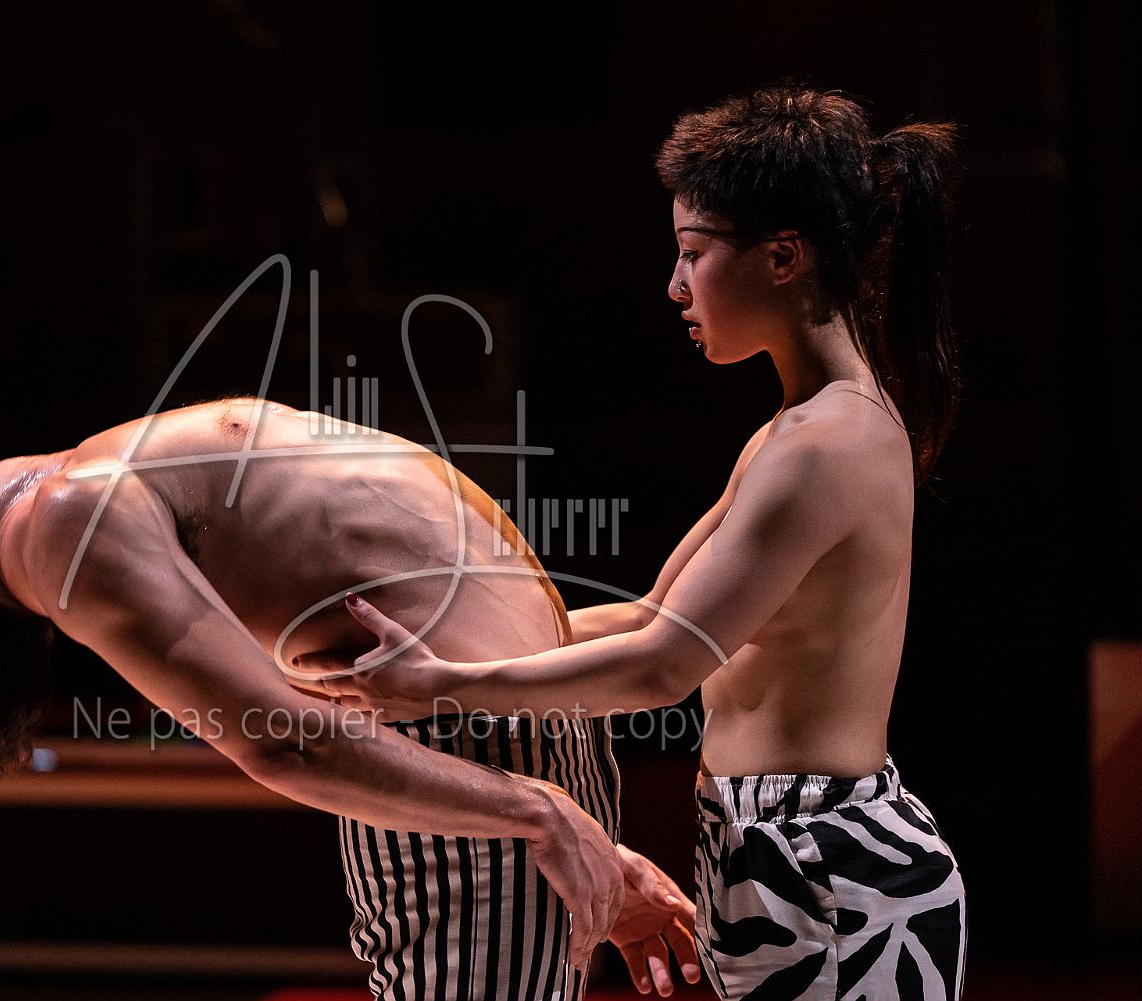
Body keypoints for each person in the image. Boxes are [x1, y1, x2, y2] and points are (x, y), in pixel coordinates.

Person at [296, 86, 968, 1000]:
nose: (675, 286)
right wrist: (434, 645)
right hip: (781, 850)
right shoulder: (796, 430)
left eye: (694, 252)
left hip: (831, 864)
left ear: (783, 256)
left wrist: (443, 684)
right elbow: (652, 613)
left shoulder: (827, 443)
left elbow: (661, 666)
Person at [0, 396, 699, 1000]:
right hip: (476, 769)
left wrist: (555, 811)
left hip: (491, 752)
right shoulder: (61, 527)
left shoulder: (59, 502)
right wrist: (541, 812)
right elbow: (284, 740)